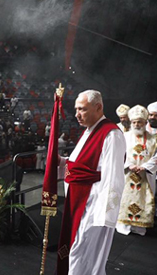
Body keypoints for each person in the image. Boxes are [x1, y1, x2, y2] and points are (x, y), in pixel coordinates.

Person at [57, 90, 126, 275]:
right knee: (75, 248)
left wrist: (105, 216)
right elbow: (82, 163)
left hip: (93, 205)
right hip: (77, 201)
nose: (77, 114)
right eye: (76, 109)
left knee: (83, 251)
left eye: (83, 109)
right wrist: (62, 161)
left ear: (98, 107)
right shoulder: (90, 130)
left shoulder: (111, 135)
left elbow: (113, 177)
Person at [116, 105, 157, 236]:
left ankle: (139, 227)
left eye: (139, 122)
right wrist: (129, 165)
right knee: (125, 199)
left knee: (143, 199)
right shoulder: (124, 136)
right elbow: (118, 154)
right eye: (134, 122)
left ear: (145, 122)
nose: (137, 124)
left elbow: (156, 156)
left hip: (145, 175)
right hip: (127, 174)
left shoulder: (154, 139)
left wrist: (145, 167)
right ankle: (124, 225)